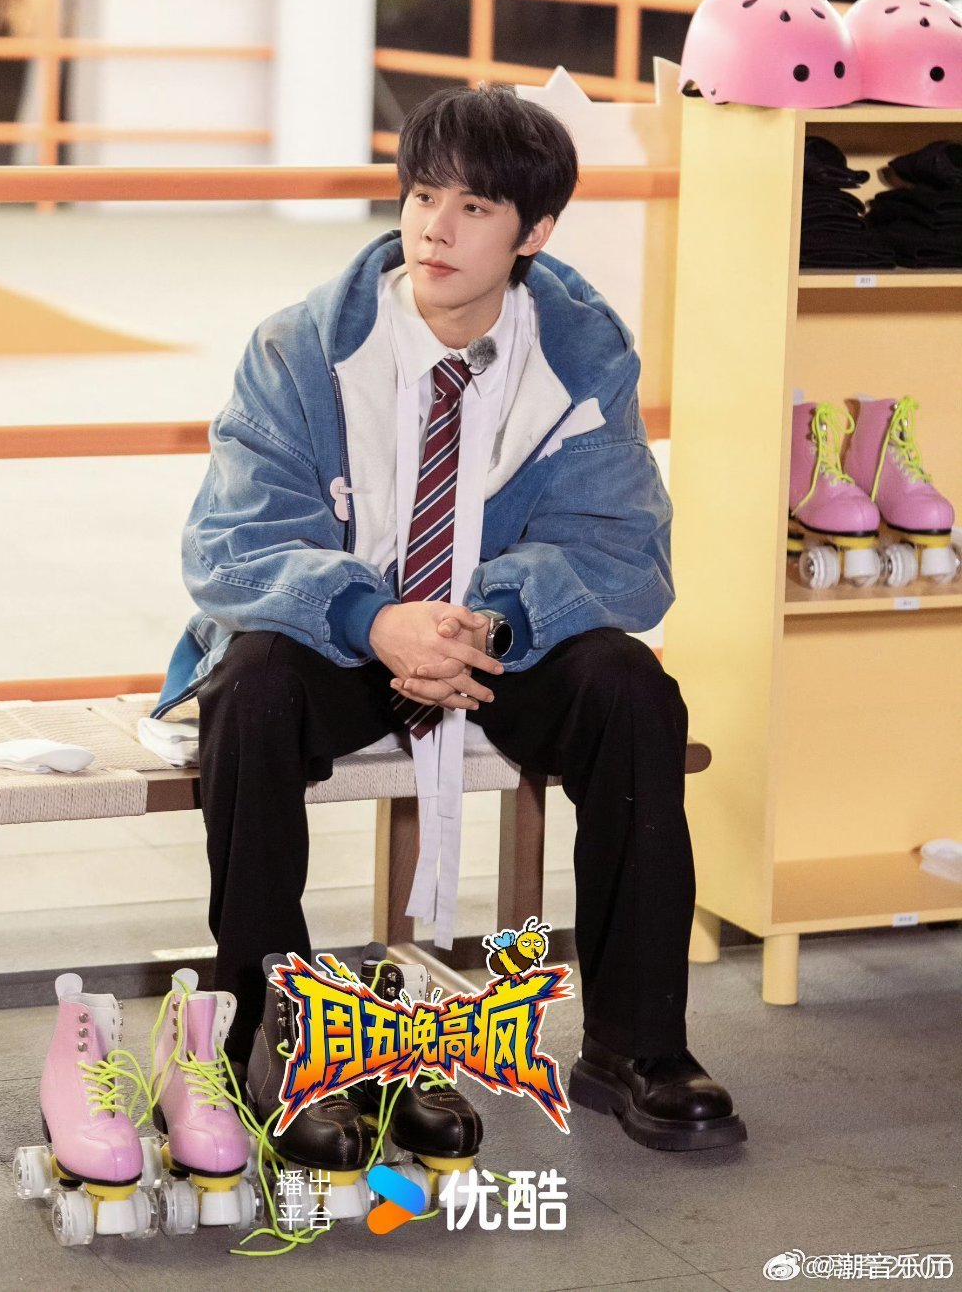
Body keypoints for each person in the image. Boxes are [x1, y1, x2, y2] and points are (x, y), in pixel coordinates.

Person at [155, 83, 746, 1152]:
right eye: (424, 195)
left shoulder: (581, 359)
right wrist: (373, 618)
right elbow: (232, 543)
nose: (436, 227)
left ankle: (638, 1043)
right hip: (346, 639)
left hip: (497, 642)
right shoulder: (302, 349)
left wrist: (495, 620)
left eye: (475, 207)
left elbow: (623, 549)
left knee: (632, 691)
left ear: (535, 233)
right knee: (252, 688)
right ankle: (269, 1035)